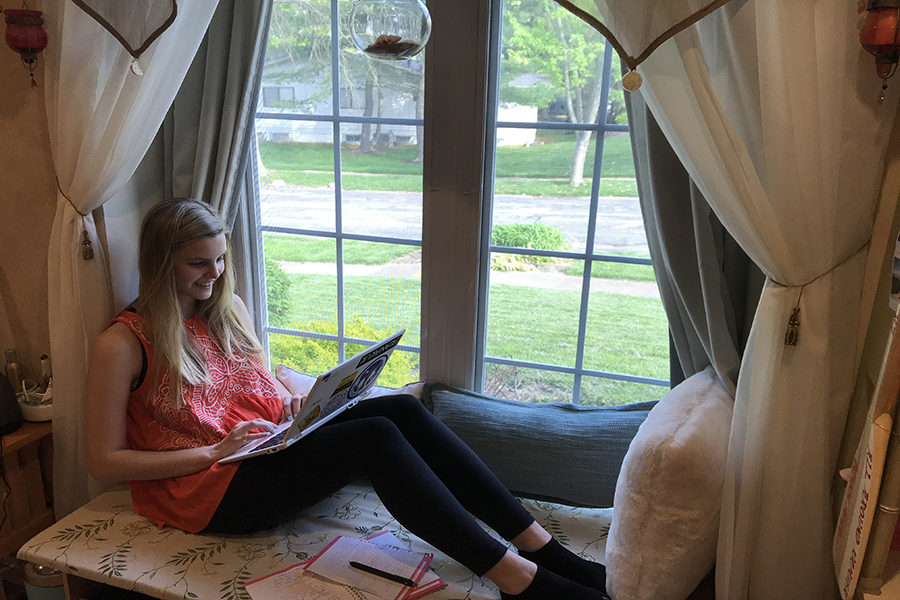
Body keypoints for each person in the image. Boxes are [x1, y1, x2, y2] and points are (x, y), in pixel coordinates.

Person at [85, 198, 610, 600]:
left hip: (268, 449)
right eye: (198, 264)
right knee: (374, 437)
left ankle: (541, 546)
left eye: (221, 259)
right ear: (160, 264)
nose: (216, 274)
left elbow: (253, 381)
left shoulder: (226, 309)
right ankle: (516, 578)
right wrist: (213, 453)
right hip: (210, 490)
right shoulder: (124, 343)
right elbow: (103, 461)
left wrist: (295, 395)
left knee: (400, 407)